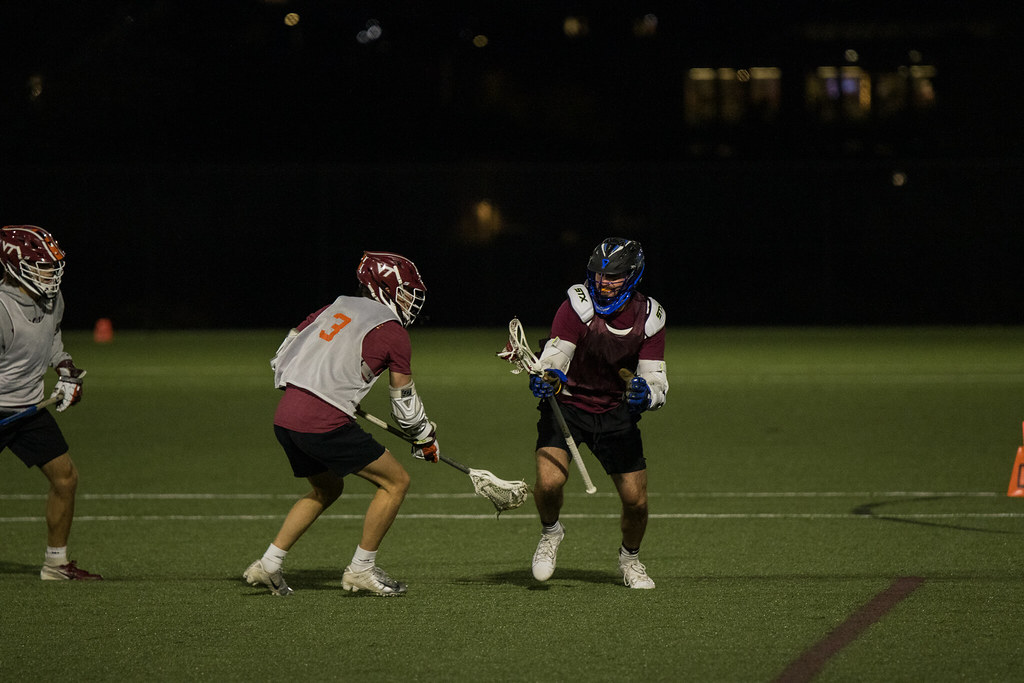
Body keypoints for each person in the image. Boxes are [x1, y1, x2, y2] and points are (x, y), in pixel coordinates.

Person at [243, 251, 439, 597]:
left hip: (286, 416)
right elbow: (404, 406)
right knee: (396, 482)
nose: (412, 301)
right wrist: (424, 437)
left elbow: (283, 355)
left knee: (327, 489)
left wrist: (327, 383)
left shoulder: (332, 307)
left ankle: (269, 563)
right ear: (383, 286)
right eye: (408, 293)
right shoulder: (392, 331)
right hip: (322, 421)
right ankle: (361, 569)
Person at [527, 237, 667, 589]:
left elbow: (656, 381)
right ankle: (550, 533)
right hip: (568, 407)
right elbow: (556, 355)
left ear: (633, 275)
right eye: (598, 275)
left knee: (636, 502)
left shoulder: (650, 317)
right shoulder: (576, 305)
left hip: (615, 412)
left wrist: (645, 395)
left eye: (613, 277)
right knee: (549, 483)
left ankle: (630, 560)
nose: (603, 283)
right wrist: (548, 377)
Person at [0, 225, 100, 581]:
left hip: (29, 409)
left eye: (52, 266)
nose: (50, 275)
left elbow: (52, 338)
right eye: (41, 267)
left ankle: (55, 564)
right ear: (14, 265)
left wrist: (66, 369)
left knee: (65, 478)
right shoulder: (2, 309)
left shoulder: (52, 299)